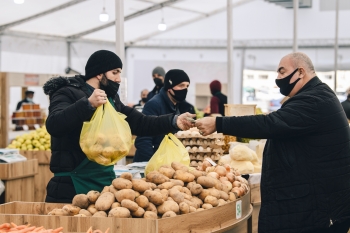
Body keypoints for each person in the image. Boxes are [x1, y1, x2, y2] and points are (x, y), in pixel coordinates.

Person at [195, 52, 350, 233]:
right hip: (314, 204)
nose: (278, 78)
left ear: (300, 72)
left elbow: (269, 124)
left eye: (282, 72)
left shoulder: (314, 101)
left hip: (317, 210)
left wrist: (218, 123)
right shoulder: (316, 95)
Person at [43, 50, 195, 203]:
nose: (118, 79)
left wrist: (173, 121)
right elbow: (54, 124)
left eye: (120, 73)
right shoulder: (66, 92)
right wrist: (87, 104)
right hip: (70, 186)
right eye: (115, 72)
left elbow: (141, 123)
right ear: (98, 73)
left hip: (104, 182)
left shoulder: (111, 100)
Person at [133, 69, 191, 162]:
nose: (185, 89)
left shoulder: (175, 105)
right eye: (181, 85)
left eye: (187, 86)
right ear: (169, 87)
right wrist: (150, 163)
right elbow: (143, 138)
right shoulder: (154, 104)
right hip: (149, 163)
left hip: (164, 162)